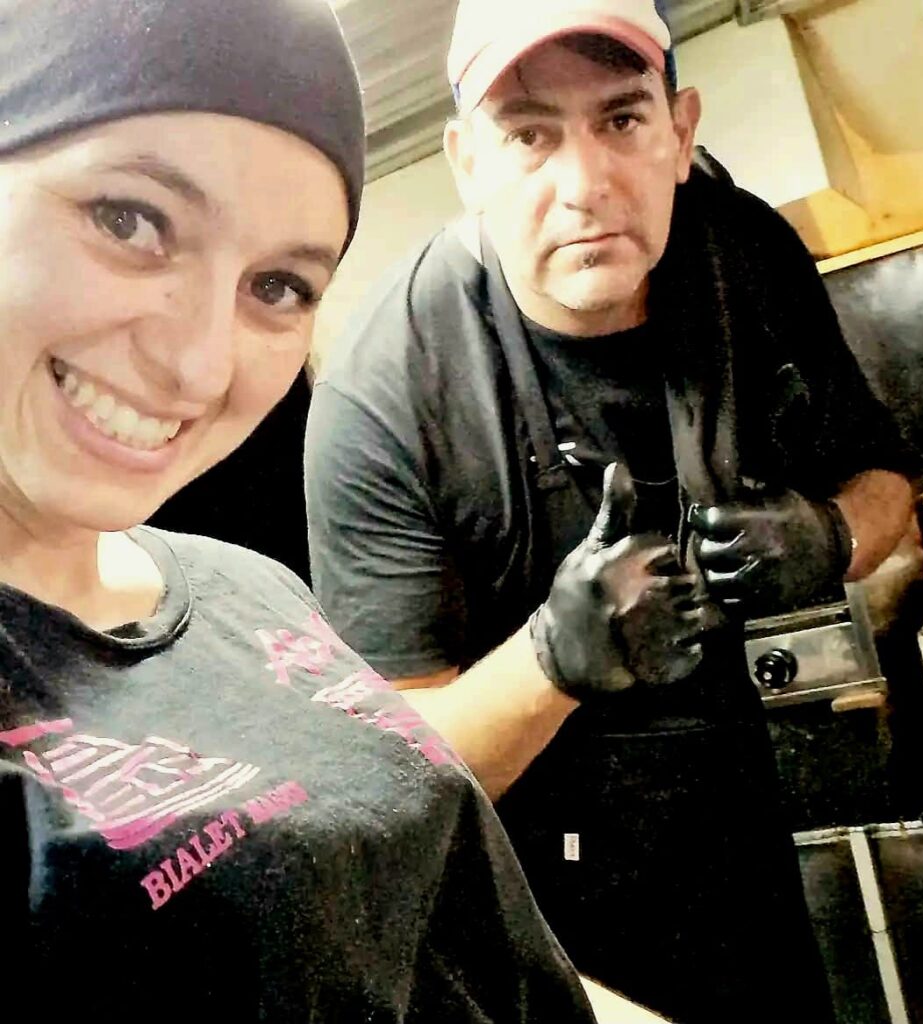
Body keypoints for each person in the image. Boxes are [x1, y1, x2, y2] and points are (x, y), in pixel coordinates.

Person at [0, 1, 628, 1020]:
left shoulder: (248, 589)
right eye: (129, 219)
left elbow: (438, 951)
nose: (199, 363)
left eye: (279, 285)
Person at [305, 1, 916, 1021]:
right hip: (539, 904)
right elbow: (396, 778)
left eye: (622, 119)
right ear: (467, 164)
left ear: (679, 131)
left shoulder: (746, 259)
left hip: (738, 825)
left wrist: (830, 536)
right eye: (528, 135)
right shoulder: (386, 399)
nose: (584, 184)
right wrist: (551, 658)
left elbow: (885, 480)